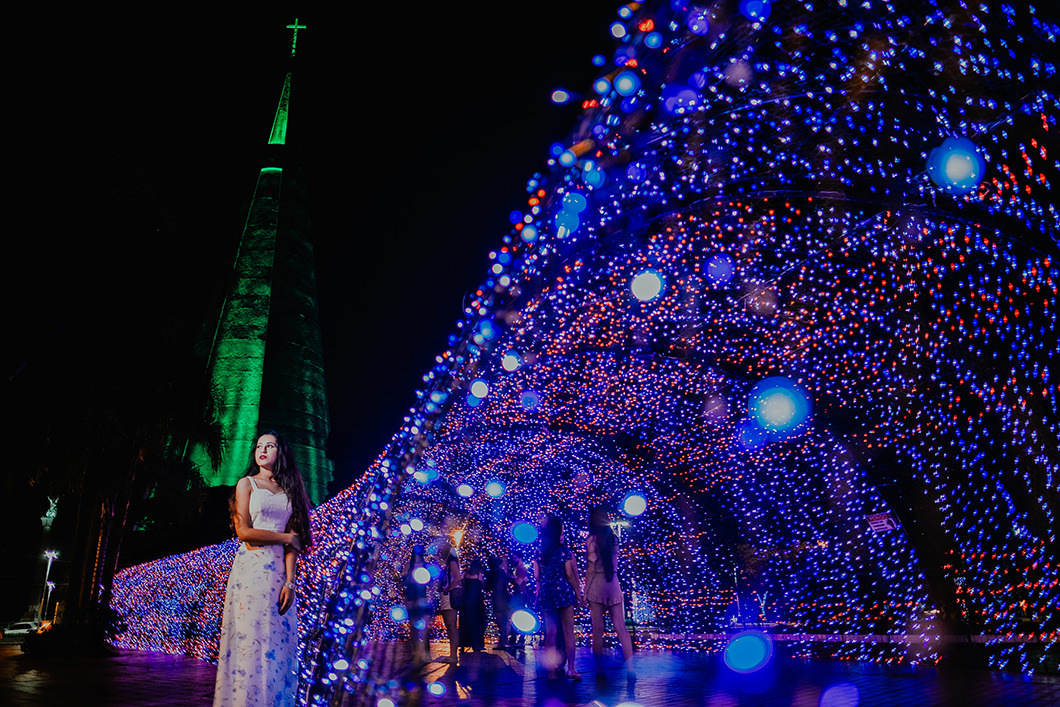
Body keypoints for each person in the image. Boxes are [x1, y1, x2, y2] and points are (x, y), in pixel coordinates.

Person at [214, 431, 313, 707]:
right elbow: (243, 531)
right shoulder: (246, 484)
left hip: (278, 574)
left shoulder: (291, 490)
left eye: (270, 446)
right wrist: (284, 538)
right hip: (250, 570)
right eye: (259, 446)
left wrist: (290, 582)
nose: (263, 450)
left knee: (275, 641)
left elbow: (294, 542)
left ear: (281, 452)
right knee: (249, 637)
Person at [585, 506, 634, 671]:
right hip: (613, 582)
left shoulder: (592, 540)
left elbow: (590, 569)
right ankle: (631, 668)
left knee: (597, 630)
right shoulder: (614, 539)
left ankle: (599, 670)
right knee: (621, 628)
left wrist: (585, 591)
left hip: (597, 583)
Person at [534, 515, 582, 680]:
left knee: (551, 632)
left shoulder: (540, 552)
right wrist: (578, 593)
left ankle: (551, 670)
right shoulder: (565, 551)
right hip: (563, 592)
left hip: (547, 593)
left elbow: (537, 576)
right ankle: (571, 669)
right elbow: (569, 574)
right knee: (569, 632)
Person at [402, 544, 431, 664]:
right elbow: (404, 582)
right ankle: (415, 653)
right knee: (413, 627)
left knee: (424, 627)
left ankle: (426, 653)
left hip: (422, 598)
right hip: (411, 598)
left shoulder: (426, 566)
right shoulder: (409, 566)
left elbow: (430, 583)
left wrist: (430, 597)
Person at [437, 541, 461, 664]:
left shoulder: (451, 562)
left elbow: (457, 578)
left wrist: (448, 589)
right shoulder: (450, 562)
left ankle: (453, 655)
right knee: (450, 626)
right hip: (447, 596)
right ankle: (453, 654)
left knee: (451, 626)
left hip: (449, 597)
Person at [460, 559, 487, 652]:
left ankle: (463, 644)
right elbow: (483, 585)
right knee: (477, 623)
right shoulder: (478, 575)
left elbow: (460, 583)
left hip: (466, 602)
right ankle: (477, 644)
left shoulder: (465, 574)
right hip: (477, 602)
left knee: (465, 623)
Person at [486, 556, 512, 650]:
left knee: (500, 621)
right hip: (505, 597)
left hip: (497, 598)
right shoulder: (502, 572)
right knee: (504, 621)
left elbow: (487, 587)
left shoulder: (491, 573)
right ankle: (504, 641)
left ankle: (502, 642)